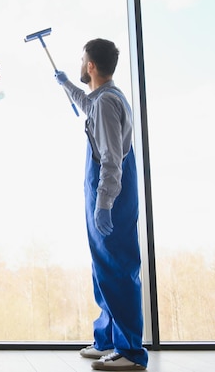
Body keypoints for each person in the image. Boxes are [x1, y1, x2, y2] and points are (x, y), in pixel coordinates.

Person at [54, 38, 148, 371]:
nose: (80, 65)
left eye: (82, 61)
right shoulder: (102, 98)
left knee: (118, 267)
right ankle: (107, 339)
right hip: (103, 190)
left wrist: (105, 201)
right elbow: (85, 102)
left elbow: (110, 157)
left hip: (113, 191)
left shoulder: (107, 103)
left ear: (91, 65)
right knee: (103, 267)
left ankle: (130, 352)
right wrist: (66, 83)